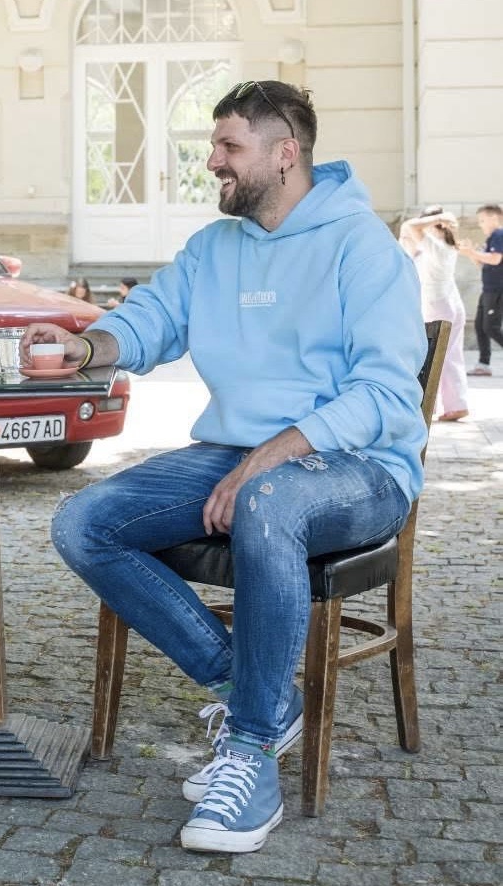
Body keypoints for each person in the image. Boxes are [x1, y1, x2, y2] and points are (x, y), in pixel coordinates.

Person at [23, 81, 426, 854]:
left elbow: (384, 392)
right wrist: (87, 344)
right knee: (85, 521)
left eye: (228, 146)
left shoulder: (362, 247)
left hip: (359, 468)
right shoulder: (214, 248)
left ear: (285, 154)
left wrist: (275, 453)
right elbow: (152, 319)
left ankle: (250, 752)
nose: (212, 161)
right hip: (238, 459)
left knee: (266, 502)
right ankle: (258, 698)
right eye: (213, 146)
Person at [399, 206, 469, 420]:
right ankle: (456, 404)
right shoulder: (445, 245)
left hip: (437, 305)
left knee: (433, 355)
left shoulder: (435, 245)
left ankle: (434, 404)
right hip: (451, 304)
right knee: (451, 356)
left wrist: (439, 217)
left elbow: (409, 226)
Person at [457, 203, 503, 376]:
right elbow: (482, 264)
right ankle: (483, 365)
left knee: (491, 327)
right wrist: (470, 252)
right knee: (480, 327)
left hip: (497, 289)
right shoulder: (492, 238)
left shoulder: (499, 234)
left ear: (494, 218)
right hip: (488, 289)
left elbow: (495, 259)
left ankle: (484, 364)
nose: (480, 224)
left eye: (482, 220)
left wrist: (471, 252)